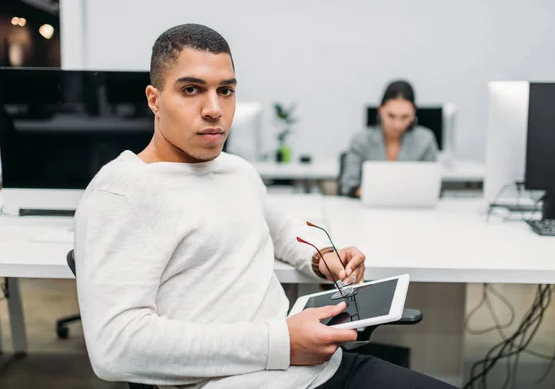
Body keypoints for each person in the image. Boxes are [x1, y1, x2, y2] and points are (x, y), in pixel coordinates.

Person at [74, 23, 455, 389]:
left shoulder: (236, 171)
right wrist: (281, 342)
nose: (214, 109)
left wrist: (322, 256)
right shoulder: (121, 193)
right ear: (154, 99)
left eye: (226, 90)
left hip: (321, 368)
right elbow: (115, 347)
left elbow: (283, 228)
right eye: (191, 90)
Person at [339, 80, 439, 198]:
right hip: (369, 208)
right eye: (391, 116)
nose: (397, 124)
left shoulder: (425, 140)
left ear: (413, 113)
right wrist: (369, 192)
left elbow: (431, 186)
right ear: (381, 110)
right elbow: (348, 185)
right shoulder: (361, 140)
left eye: (405, 117)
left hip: (412, 209)